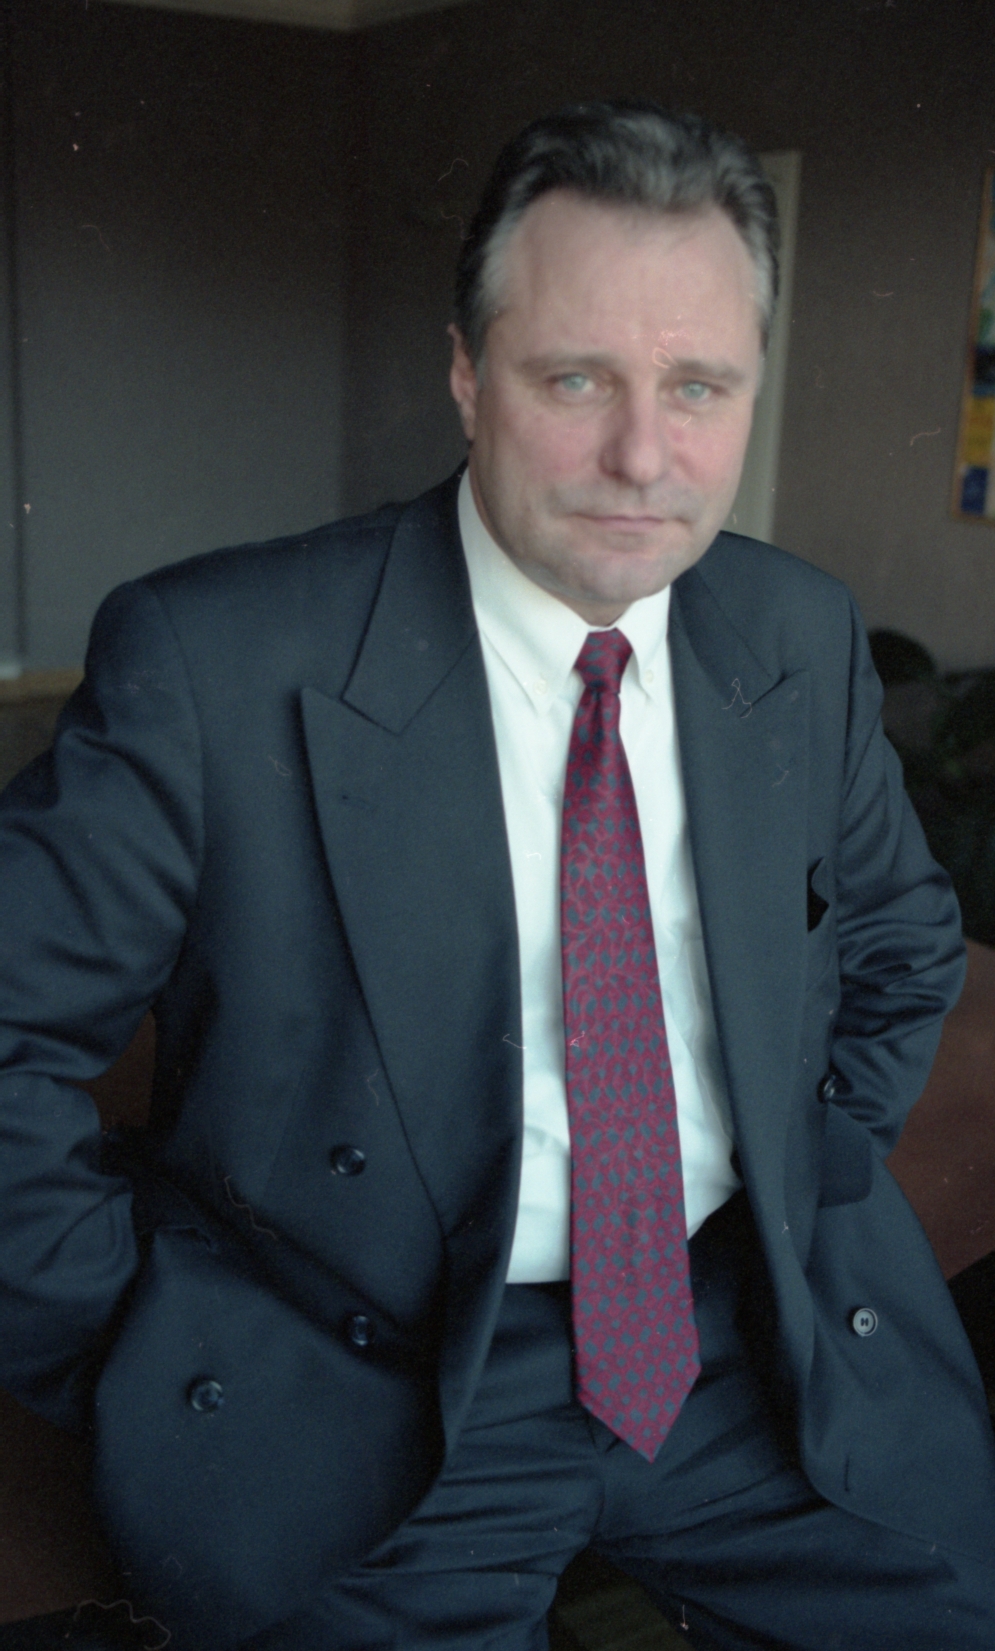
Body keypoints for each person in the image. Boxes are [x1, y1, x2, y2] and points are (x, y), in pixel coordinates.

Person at [0, 101, 992, 1651]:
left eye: (699, 386)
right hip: (364, 1381)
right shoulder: (216, 657)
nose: (643, 457)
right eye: (576, 378)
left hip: (735, 1343)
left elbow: (904, 934)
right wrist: (129, 1340)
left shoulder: (795, 632)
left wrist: (799, 1175)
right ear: (467, 373)